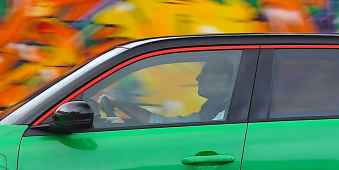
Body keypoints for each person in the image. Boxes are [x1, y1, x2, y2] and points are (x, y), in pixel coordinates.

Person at [93, 54, 238, 126]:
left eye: (205, 73)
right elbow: (162, 122)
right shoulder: (212, 110)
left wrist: (121, 129)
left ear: (223, 80)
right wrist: (119, 103)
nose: (198, 78)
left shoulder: (225, 115)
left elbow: (194, 141)